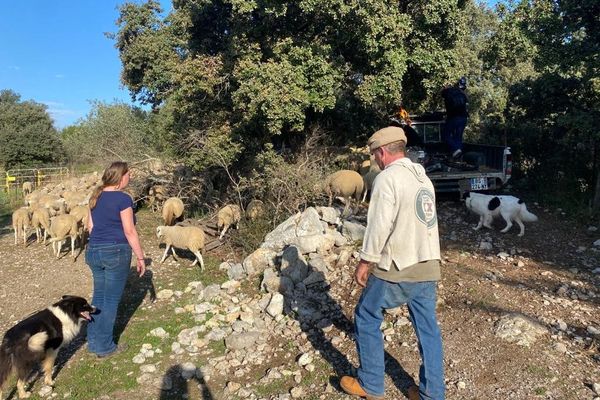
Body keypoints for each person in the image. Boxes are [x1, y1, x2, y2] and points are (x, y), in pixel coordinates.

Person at [340, 126, 444, 400]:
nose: (375, 160)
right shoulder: (422, 178)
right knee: (427, 329)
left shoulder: (388, 179)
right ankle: (432, 394)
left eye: (375, 155)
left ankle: (371, 384)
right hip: (428, 262)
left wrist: (365, 262)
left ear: (382, 152)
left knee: (366, 315)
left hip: (399, 265)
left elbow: (378, 226)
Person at [85, 161, 146, 358]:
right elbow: (129, 231)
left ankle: (94, 342)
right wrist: (140, 256)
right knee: (110, 301)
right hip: (115, 251)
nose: (130, 178)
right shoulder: (123, 199)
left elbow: (90, 228)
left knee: (98, 297)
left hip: (93, 250)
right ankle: (105, 346)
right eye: (128, 174)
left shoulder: (95, 197)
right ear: (121, 177)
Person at [441, 77, 468, 159]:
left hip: (453, 117)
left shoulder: (447, 93)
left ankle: (455, 149)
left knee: (445, 135)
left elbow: (448, 105)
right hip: (463, 117)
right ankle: (458, 155)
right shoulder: (462, 94)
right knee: (458, 136)